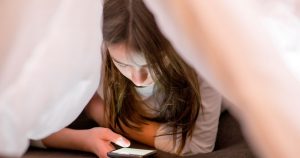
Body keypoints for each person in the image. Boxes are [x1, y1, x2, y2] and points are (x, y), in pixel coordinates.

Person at [37, 0, 222, 157]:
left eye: (150, 66)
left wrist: (100, 112)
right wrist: (84, 141)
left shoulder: (204, 60)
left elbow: (199, 146)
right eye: (122, 64)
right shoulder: (89, 50)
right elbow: (22, 128)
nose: (138, 79)